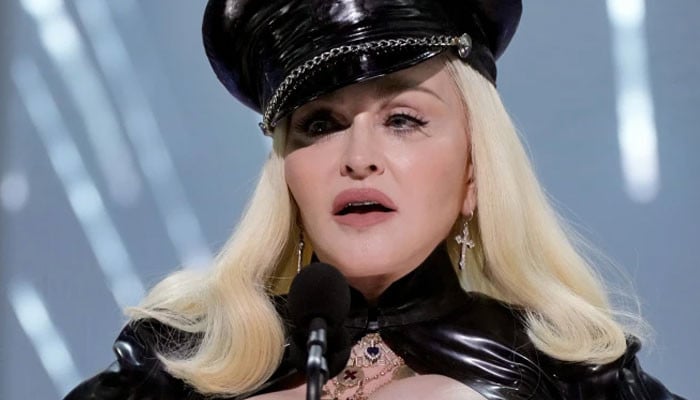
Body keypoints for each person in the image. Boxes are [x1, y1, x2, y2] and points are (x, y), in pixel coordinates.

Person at [64, 0, 685, 399]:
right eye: (321, 124)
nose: (358, 157)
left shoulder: (576, 379)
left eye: (403, 119)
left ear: (475, 172)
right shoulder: (170, 365)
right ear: (286, 177)